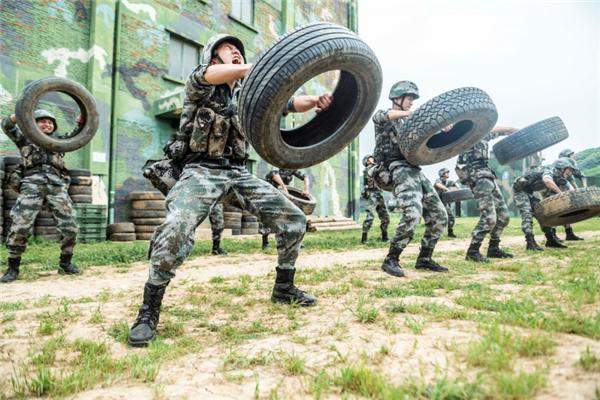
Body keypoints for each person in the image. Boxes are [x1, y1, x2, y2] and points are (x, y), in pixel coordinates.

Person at [127, 33, 333, 346]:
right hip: (200, 172)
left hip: (237, 174)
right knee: (177, 226)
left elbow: (289, 104)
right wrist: (256, 68)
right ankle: (148, 309)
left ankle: (284, 287)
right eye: (229, 49)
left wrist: (316, 103)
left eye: (239, 50)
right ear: (213, 57)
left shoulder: (248, 97)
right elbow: (210, 75)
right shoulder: (201, 81)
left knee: (294, 220)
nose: (236, 52)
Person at [373, 81, 448, 278]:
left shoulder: (409, 122)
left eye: (413, 99)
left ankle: (424, 258)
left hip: (414, 169)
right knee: (413, 213)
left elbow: (425, 138)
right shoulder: (385, 115)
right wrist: (413, 115)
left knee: (440, 215)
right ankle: (391, 259)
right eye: (409, 98)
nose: (412, 102)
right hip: (394, 168)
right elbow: (381, 116)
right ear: (397, 98)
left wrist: (442, 127)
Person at [0, 110, 81, 282]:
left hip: (57, 185)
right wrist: (20, 112)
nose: (47, 124)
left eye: (50, 122)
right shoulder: (25, 139)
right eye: (42, 121)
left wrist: (82, 123)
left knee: (70, 225)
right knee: (20, 225)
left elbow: (79, 135)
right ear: (33, 124)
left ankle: (65, 263)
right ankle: (12, 268)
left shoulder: (59, 142)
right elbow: (6, 125)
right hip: (31, 183)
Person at [456, 125, 518, 262]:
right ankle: (473, 251)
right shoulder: (467, 135)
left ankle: (493, 248)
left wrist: (509, 132)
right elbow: (490, 129)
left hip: (488, 176)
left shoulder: (483, 136)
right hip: (477, 178)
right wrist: (509, 127)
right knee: (489, 218)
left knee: (504, 216)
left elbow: (494, 133)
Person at [513, 157, 575, 250]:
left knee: (543, 214)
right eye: (569, 169)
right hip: (520, 191)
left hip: (529, 193)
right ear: (562, 168)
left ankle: (550, 240)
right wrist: (560, 194)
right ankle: (530, 242)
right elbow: (547, 181)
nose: (570, 172)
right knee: (527, 214)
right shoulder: (549, 171)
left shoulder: (560, 177)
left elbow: (571, 189)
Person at [261, 168, 310, 249]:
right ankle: (265, 242)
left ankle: (295, 242)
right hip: (270, 194)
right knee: (268, 219)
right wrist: (284, 186)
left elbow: (305, 176)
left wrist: (306, 189)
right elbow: (274, 174)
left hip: (283, 195)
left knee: (292, 218)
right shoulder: (276, 164)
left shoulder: (291, 168)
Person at [556, 149, 586, 241]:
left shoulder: (571, 166)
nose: (574, 156)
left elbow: (581, 176)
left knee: (566, 211)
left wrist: (584, 189)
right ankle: (551, 235)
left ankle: (569, 233)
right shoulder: (559, 166)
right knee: (556, 211)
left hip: (563, 186)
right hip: (554, 188)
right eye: (572, 155)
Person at [360, 154, 389, 243]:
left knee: (385, 216)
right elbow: (377, 169)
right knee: (370, 216)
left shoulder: (375, 167)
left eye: (372, 158)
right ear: (367, 161)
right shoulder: (368, 168)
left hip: (378, 194)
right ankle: (364, 239)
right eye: (370, 159)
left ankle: (385, 237)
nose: (372, 159)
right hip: (372, 194)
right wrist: (382, 163)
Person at [434, 168, 459, 238]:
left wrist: (455, 187)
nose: (448, 174)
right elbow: (438, 184)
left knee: (451, 217)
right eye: (446, 173)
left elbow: (455, 188)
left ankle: (450, 232)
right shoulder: (439, 180)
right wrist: (447, 189)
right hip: (436, 203)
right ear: (442, 174)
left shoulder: (447, 182)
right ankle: (435, 234)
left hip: (444, 203)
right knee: (439, 219)